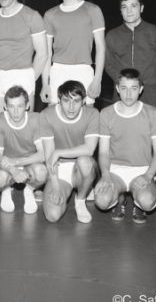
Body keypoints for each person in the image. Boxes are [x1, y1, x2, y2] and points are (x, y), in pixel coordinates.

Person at [105, 0, 156, 205]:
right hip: (122, 94)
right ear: (120, 11)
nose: (129, 11)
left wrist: (149, 82)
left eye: (133, 6)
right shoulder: (112, 35)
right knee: (118, 138)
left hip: (149, 93)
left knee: (153, 141)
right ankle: (116, 185)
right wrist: (123, 85)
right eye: (124, 7)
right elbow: (108, 63)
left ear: (141, 8)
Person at [94, 68, 156, 224]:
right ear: (117, 89)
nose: (128, 94)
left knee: (147, 201)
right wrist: (105, 175)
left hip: (142, 171)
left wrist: (148, 175)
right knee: (101, 201)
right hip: (115, 171)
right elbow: (103, 152)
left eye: (133, 88)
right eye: (124, 88)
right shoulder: (106, 113)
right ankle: (119, 198)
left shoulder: (152, 113)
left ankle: (139, 203)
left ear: (141, 89)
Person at [41, 0, 105, 106]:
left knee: (87, 115)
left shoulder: (93, 10)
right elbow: (47, 53)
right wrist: (45, 83)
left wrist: (97, 79)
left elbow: (101, 48)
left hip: (83, 70)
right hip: (58, 70)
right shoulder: (50, 14)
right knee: (54, 115)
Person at [40, 80, 99, 224]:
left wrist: (59, 152)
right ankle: (72, 188)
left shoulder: (92, 114)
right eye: (66, 101)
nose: (71, 107)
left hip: (81, 166)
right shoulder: (47, 115)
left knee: (85, 162)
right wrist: (55, 186)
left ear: (84, 101)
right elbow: (49, 156)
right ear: (59, 100)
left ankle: (80, 200)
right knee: (53, 215)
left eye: (76, 101)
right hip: (58, 169)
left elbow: (89, 149)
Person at [0, 0, 47, 113]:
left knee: (24, 124)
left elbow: (42, 53)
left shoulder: (32, 16)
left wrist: (29, 78)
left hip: (22, 75)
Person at [0, 86, 47, 214]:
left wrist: (16, 162)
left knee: (42, 172)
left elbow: (42, 154)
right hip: (6, 165)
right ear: (5, 106)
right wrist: (13, 170)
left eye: (20, 106)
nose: (16, 112)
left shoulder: (35, 119)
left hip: (28, 163)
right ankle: (6, 190)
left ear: (27, 106)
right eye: (11, 106)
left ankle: (29, 190)